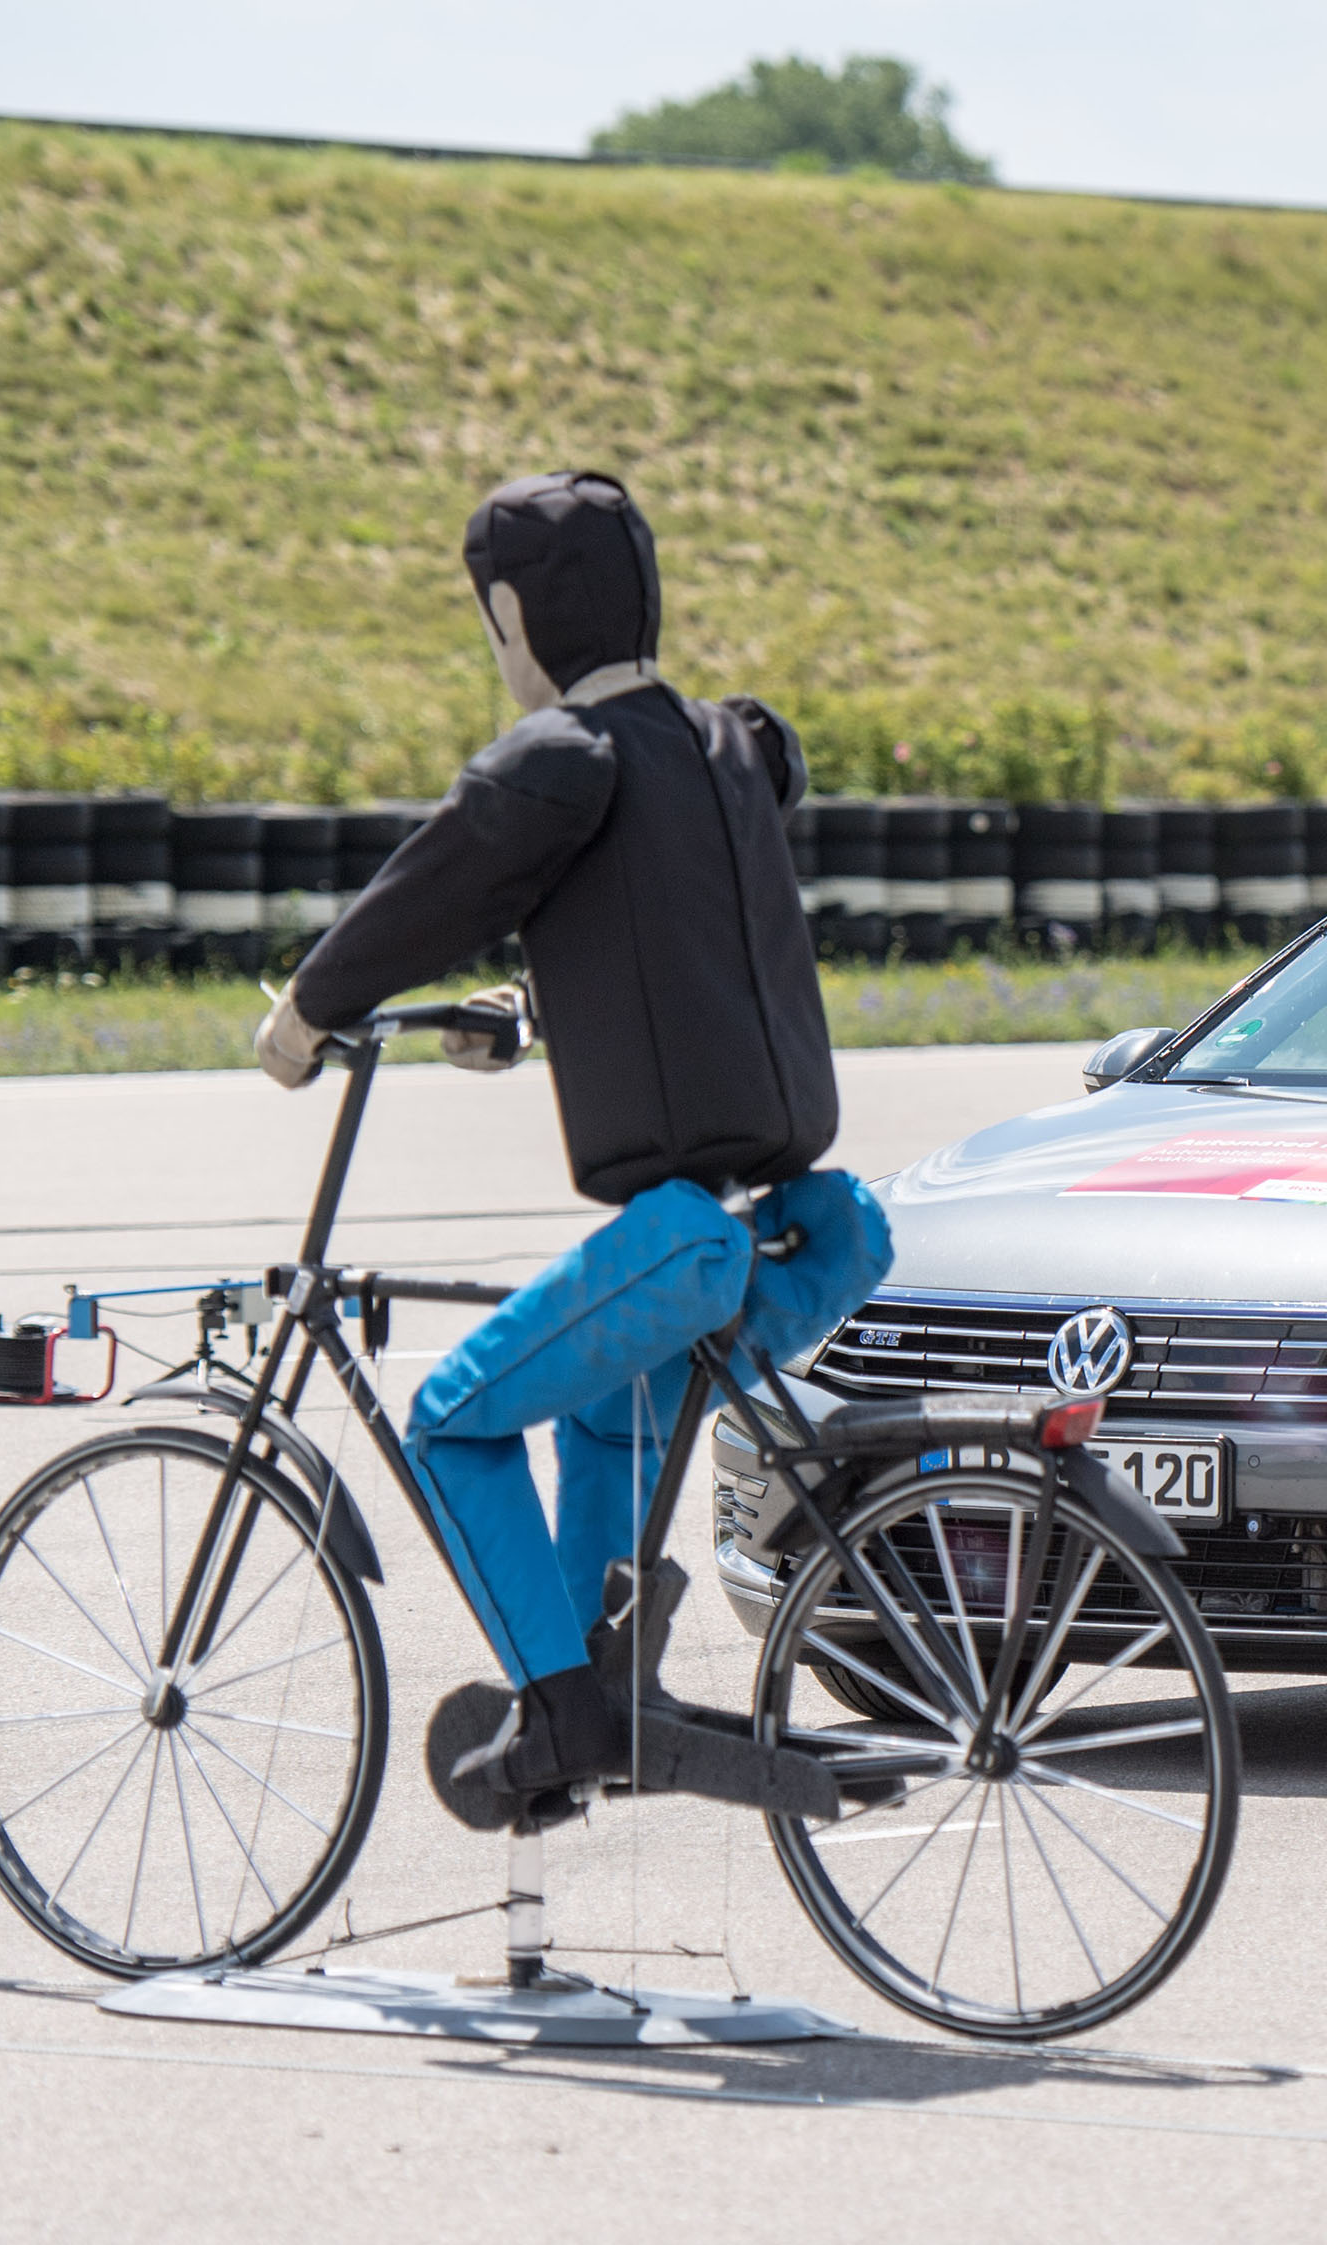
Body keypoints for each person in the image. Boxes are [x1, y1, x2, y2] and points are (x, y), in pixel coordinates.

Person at [254, 470, 890, 1810]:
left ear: (513, 613)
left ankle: (557, 1714)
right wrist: (535, 1012)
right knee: (609, 1417)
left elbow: (434, 885)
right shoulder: (735, 747)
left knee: (447, 1423)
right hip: (805, 1231)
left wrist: (310, 1011)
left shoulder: (556, 759)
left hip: (680, 1244)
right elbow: (668, 916)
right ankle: (613, 1681)